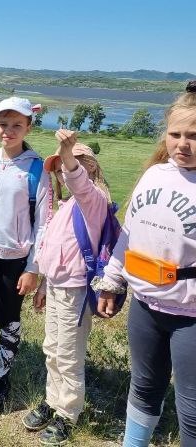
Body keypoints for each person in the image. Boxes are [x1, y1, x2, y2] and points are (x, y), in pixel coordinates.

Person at [96, 85, 196, 446]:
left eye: (194, 136)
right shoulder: (154, 175)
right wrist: (111, 281)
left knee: (192, 405)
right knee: (143, 386)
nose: (183, 144)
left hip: (191, 315)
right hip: (146, 305)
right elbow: (129, 234)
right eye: (175, 134)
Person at [23, 131, 111, 445]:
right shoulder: (66, 206)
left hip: (76, 290)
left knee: (69, 354)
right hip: (58, 286)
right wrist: (44, 284)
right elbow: (52, 250)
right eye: (58, 165)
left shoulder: (94, 201)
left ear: (90, 166)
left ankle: (68, 413)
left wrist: (67, 152)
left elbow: (79, 182)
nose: (63, 169)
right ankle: (53, 399)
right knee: (52, 349)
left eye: (70, 163)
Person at [0, 96, 51, 413]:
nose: (9, 131)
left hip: (15, 259)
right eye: (3, 124)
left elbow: (43, 223)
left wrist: (33, 268)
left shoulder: (36, 168)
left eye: (17, 125)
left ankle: (2, 379)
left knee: (9, 318)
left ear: (28, 126)